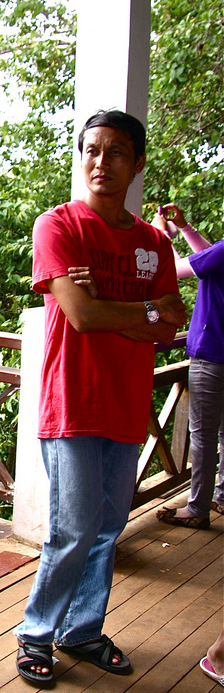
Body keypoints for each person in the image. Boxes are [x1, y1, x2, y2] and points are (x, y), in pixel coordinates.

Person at [14, 109, 187, 688]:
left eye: (116, 152)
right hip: (73, 404)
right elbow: (82, 316)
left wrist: (133, 315)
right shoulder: (57, 226)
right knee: (72, 530)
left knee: (108, 527)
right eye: (91, 149)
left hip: (127, 402)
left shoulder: (152, 243)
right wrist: (141, 312)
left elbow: (172, 325)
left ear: (137, 163)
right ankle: (37, 632)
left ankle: (82, 629)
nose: (101, 162)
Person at [152, 203, 223, 528]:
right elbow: (209, 258)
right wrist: (185, 227)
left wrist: (159, 235)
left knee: (204, 434)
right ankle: (220, 496)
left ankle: (196, 509)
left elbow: (174, 269)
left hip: (212, 354)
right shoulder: (220, 253)